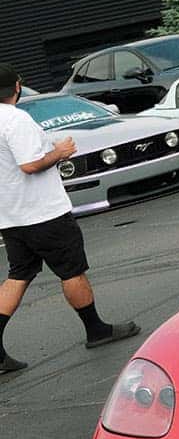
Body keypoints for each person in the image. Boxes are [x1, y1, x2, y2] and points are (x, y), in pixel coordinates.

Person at [0, 63, 139, 374]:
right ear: (17, 87)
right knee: (71, 270)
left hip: (11, 216)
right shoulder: (15, 119)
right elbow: (30, 165)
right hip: (43, 212)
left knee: (19, 274)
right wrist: (59, 152)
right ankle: (96, 330)